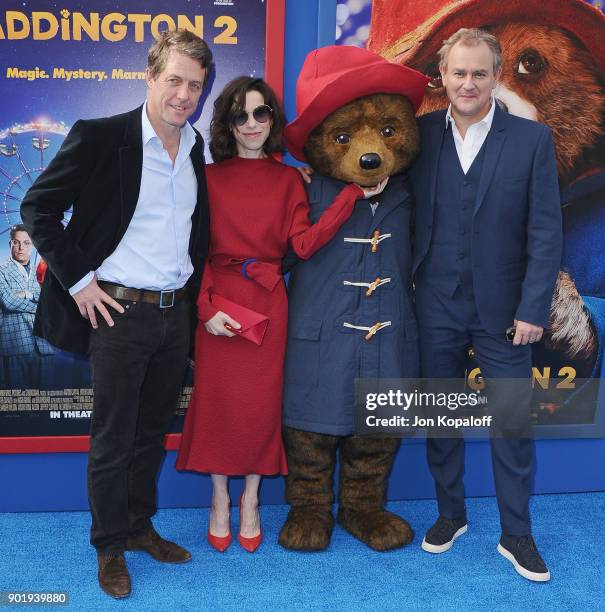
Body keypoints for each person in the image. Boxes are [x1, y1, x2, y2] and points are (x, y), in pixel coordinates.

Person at [20, 29, 212, 599]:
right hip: (117, 315)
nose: (183, 94)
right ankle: (109, 546)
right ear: (150, 77)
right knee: (112, 438)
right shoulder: (103, 137)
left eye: (195, 85)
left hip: (174, 316)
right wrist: (78, 282)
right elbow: (38, 207)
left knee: (152, 433)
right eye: (174, 79)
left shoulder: (197, 147)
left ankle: (137, 527)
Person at [176, 76, 386, 553]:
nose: (251, 123)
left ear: (272, 119)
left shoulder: (290, 178)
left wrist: (350, 196)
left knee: (260, 407)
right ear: (228, 123)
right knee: (217, 406)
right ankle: (219, 501)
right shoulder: (205, 178)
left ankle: (250, 500)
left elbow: (304, 245)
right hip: (217, 303)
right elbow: (193, 252)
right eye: (240, 115)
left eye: (261, 113)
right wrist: (205, 309)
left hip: (268, 303)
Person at [409, 29, 562, 581]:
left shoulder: (531, 141)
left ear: (496, 76)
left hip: (506, 313)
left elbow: (545, 233)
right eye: (458, 72)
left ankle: (517, 534)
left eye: (479, 72)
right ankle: (451, 515)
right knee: (440, 418)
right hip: (434, 306)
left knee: (512, 424)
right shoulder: (419, 137)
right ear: (443, 78)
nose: (468, 83)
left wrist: (533, 308)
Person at [0, 225, 54, 388]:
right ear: (11, 245)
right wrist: (39, 305)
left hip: (44, 344)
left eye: (26, 243)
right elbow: (8, 302)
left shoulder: (45, 269)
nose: (21, 247)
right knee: (18, 399)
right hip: (15, 343)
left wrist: (27, 294)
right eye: (16, 242)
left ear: (33, 245)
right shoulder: (2, 271)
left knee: (45, 398)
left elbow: (51, 300)